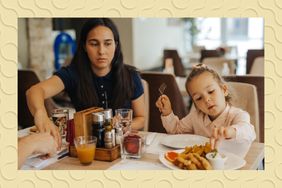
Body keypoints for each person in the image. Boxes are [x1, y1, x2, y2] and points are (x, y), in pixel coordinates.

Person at [26, 18, 145, 148]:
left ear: (116, 45)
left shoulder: (131, 76)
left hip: (122, 147)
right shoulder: (73, 74)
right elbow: (34, 91)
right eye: (94, 44)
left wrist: (122, 125)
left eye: (107, 43)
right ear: (84, 46)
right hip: (86, 146)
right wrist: (41, 114)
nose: (101, 51)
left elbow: (141, 118)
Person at [156, 64, 256, 149]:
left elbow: (248, 131)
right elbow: (176, 132)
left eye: (211, 91)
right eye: (199, 98)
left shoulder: (237, 115)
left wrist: (230, 131)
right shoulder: (195, 117)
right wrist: (167, 112)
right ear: (195, 104)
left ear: (224, 90)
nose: (206, 99)